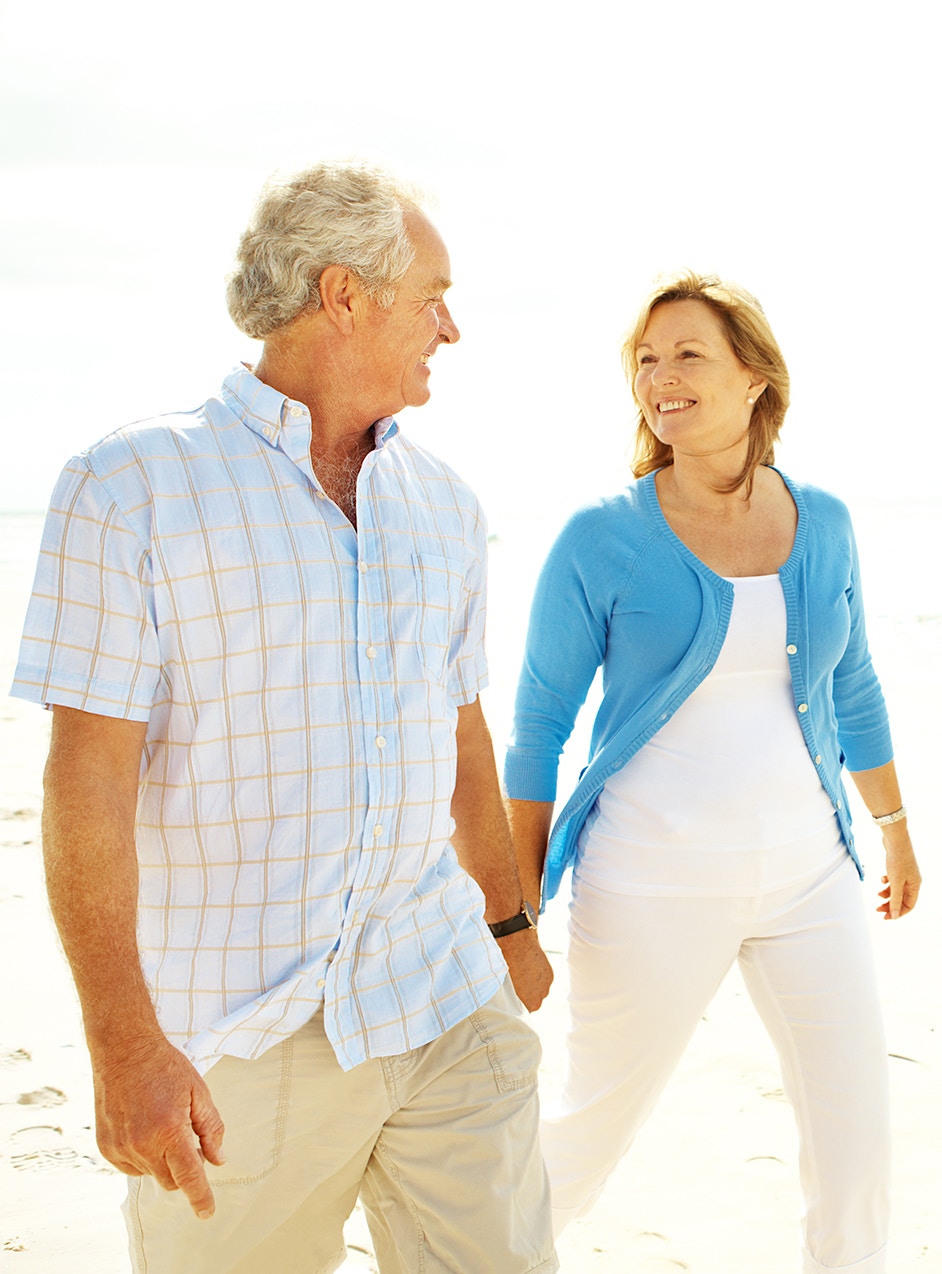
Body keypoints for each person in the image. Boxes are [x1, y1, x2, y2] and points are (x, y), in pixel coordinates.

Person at [12, 162, 556, 1274]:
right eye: (432, 295)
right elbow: (86, 782)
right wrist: (123, 1045)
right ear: (344, 293)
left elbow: (462, 738)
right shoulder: (127, 487)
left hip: (444, 994)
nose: (450, 328)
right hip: (238, 1044)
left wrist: (509, 930)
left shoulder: (446, 505)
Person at [503, 271, 921, 1273]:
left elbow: (853, 680)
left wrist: (895, 828)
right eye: (647, 360)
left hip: (810, 879)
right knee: (589, 1134)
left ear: (753, 379)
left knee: (857, 1141)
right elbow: (536, 733)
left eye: (688, 354)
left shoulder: (823, 520)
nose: (662, 376)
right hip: (647, 884)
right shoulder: (598, 537)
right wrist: (516, 908)